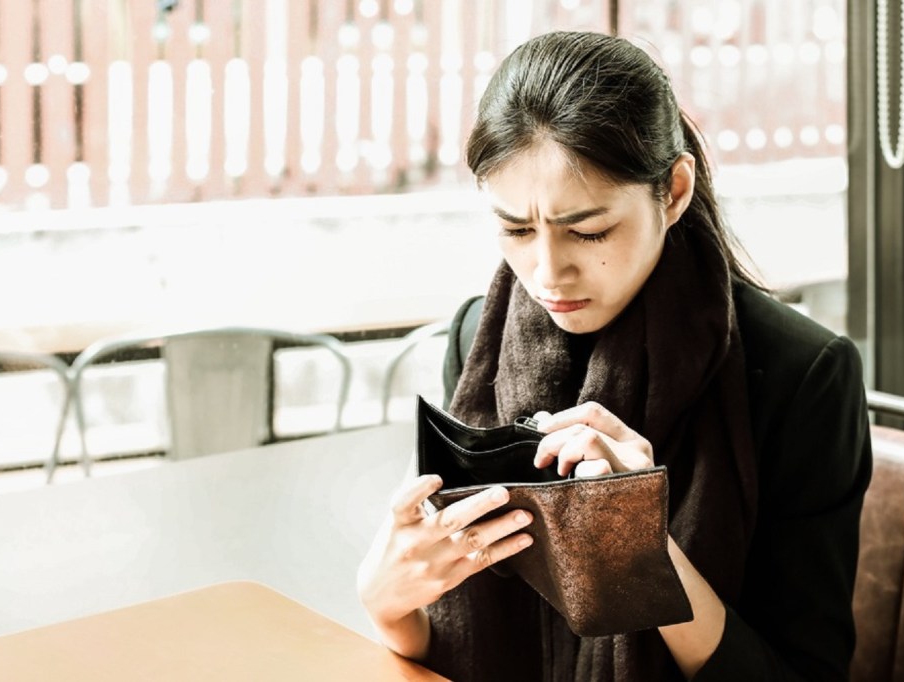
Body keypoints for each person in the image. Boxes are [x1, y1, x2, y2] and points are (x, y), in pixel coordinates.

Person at [357, 30, 871, 681]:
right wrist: (387, 603)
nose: (547, 273)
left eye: (589, 230)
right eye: (515, 229)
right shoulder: (474, 342)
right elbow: (466, 646)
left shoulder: (802, 376)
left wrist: (639, 552)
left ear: (675, 190)